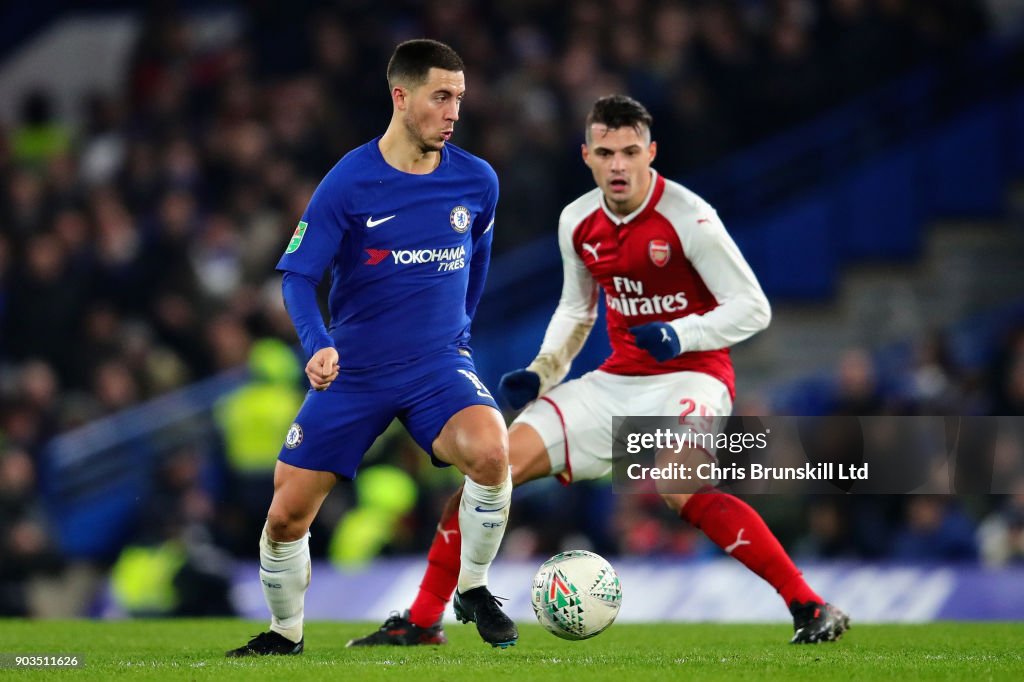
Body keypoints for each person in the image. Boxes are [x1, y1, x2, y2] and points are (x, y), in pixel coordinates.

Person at [349, 95, 849, 647]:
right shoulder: (578, 220)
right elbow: (577, 308)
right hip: (616, 380)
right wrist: (544, 370)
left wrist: (681, 334)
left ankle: (809, 604)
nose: (618, 165)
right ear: (586, 155)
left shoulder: (690, 218)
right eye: (606, 152)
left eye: (630, 151)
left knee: (680, 484)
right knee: (487, 472)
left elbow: (753, 306)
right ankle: (422, 621)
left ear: (650, 153)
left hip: (692, 377)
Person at [227, 39, 517, 656]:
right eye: (442, 96)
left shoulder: (477, 181)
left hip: (438, 367)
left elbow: (479, 260)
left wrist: (459, 332)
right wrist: (317, 344)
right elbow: (300, 276)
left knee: (493, 453)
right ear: (401, 96)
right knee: (286, 517)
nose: (454, 112)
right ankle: (285, 635)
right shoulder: (350, 181)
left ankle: (473, 588)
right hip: (355, 372)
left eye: (459, 98)